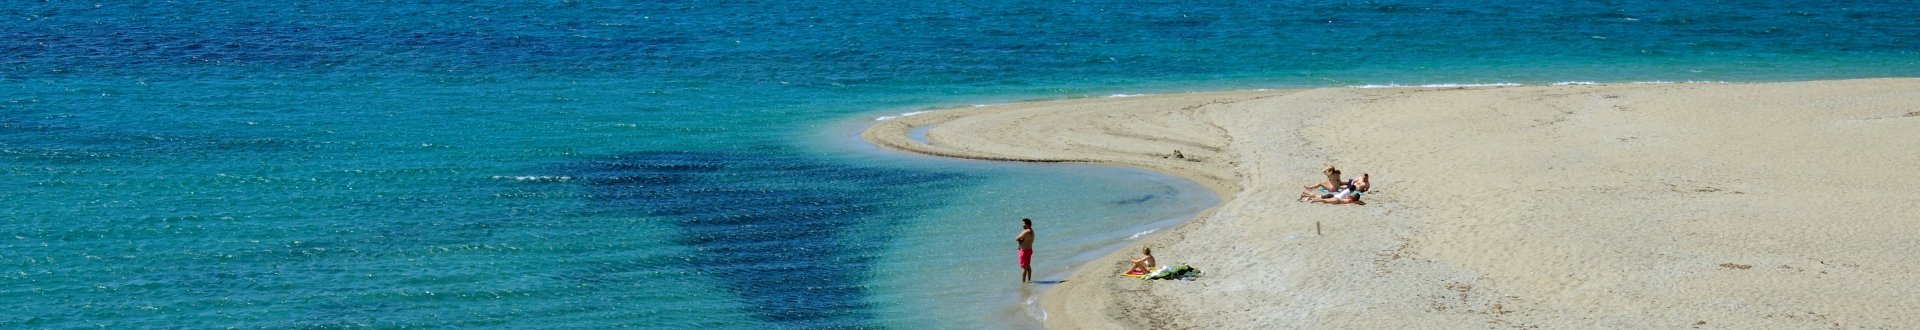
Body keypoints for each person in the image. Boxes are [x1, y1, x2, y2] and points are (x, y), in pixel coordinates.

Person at [1015, 218, 1035, 283]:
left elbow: (1017, 238)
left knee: (1023, 267)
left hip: (1024, 251)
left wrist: (1019, 240)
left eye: (1023, 223)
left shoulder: (1026, 231)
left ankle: (1023, 282)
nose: (1022, 225)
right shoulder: (1032, 231)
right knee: (1028, 266)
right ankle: (1029, 280)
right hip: (1029, 250)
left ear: (1027, 224)